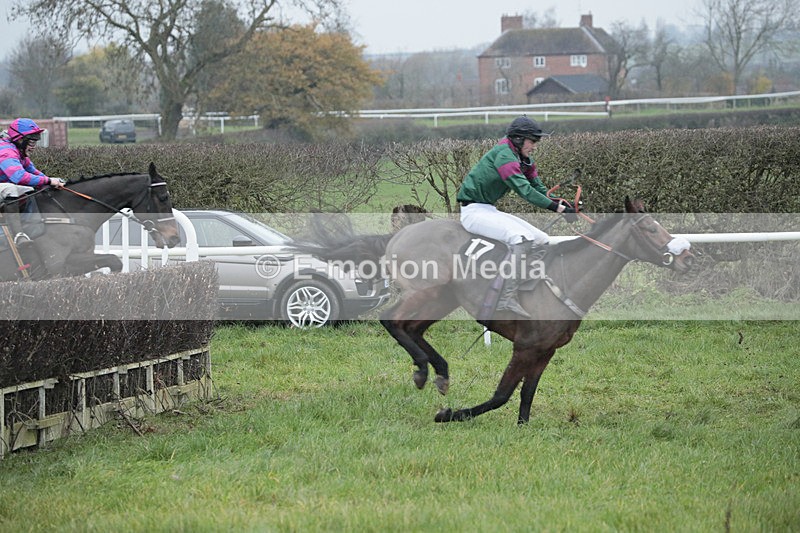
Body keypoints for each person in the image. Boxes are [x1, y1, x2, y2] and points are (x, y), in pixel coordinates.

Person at [456, 115, 576, 318]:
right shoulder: (505, 156)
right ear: (519, 139)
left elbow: (538, 187)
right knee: (522, 238)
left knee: (542, 240)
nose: (535, 146)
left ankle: (521, 286)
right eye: (533, 141)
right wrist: (558, 210)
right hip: (473, 212)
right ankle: (504, 299)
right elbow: (525, 191)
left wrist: (560, 202)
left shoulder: (522, 158)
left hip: (487, 209)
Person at [0, 118, 65, 246]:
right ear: (20, 140)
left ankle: (30, 230)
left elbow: (33, 171)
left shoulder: (18, 150)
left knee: (30, 190)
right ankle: (18, 235)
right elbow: (19, 177)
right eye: (31, 142)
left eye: (36, 142)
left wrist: (52, 182)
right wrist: (49, 180)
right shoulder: (6, 150)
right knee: (10, 189)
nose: (34, 147)